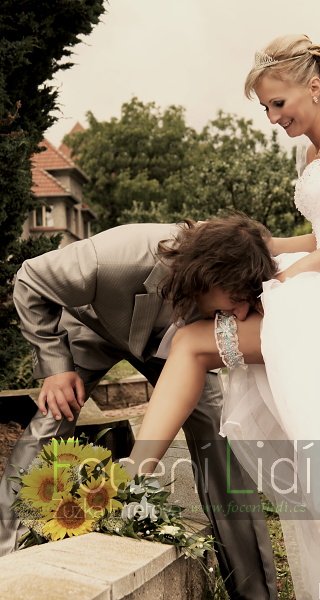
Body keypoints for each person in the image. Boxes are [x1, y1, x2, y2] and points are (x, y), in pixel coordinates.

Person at [122, 34, 320, 599]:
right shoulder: (314, 151)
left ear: (313, 87)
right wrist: (272, 248)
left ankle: (132, 482)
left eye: (278, 103)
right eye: (266, 108)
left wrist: (292, 279)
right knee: (193, 341)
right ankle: (135, 479)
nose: (273, 118)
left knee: (193, 342)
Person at [0, 214, 279, 600]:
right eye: (237, 300)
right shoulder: (110, 259)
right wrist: (55, 367)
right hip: (94, 328)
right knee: (52, 418)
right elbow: (31, 278)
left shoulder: (239, 257)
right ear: (208, 276)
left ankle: (254, 591)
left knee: (220, 437)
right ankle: (7, 554)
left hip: (180, 347)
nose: (243, 314)